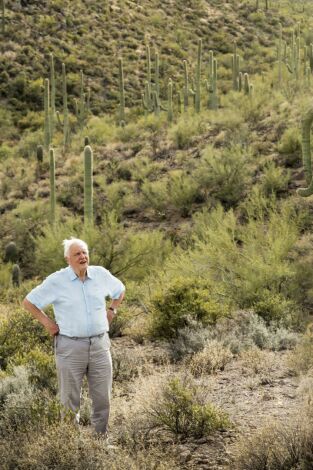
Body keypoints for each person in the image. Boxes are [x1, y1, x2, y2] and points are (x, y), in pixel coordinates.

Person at [22, 237, 125, 435]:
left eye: (85, 252)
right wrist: (47, 323)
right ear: (67, 258)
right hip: (70, 346)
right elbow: (29, 302)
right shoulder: (56, 281)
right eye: (77, 253)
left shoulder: (101, 274)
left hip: (100, 345)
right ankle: (70, 443)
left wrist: (112, 309)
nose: (82, 256)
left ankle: (100, 438)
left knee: (103, 396)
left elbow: (120, 290)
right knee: (69, 399)